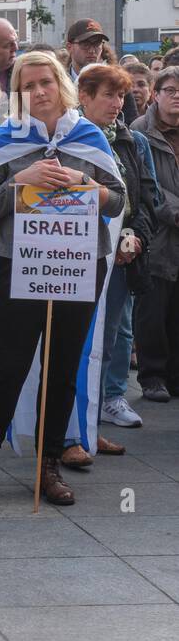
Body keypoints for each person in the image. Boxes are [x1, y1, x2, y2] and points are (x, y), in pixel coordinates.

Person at [0, 52, 125, 509]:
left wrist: (83, 182)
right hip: (17, 267)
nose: (38, 92)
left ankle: (48, 464)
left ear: (61, 85)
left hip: (77, 266)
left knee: (61, 366)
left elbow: (117, 203)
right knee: (10, 366)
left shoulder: (89, 136)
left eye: (46, 82)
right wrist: (23, 181)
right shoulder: (5, 138)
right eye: (28, 85)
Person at [70, 64, 154, 453]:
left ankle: (96, 414)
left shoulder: (132, 141)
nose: (117, 103)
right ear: (83, 96)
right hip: (73, 255)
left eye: (121, 95)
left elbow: (144, 196)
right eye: (108, 94)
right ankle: (68, 426)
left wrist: (134, 233)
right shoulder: (68, 140)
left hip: (119, 256)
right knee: (77, 340)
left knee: (110, 335)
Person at [133, 65, 179, 403]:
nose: (177, 97)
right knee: (153, 308)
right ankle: (153, 377)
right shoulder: (140, 132)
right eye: (171, 91)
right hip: (159, 231)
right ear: (156, 94)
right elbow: (149, 188)